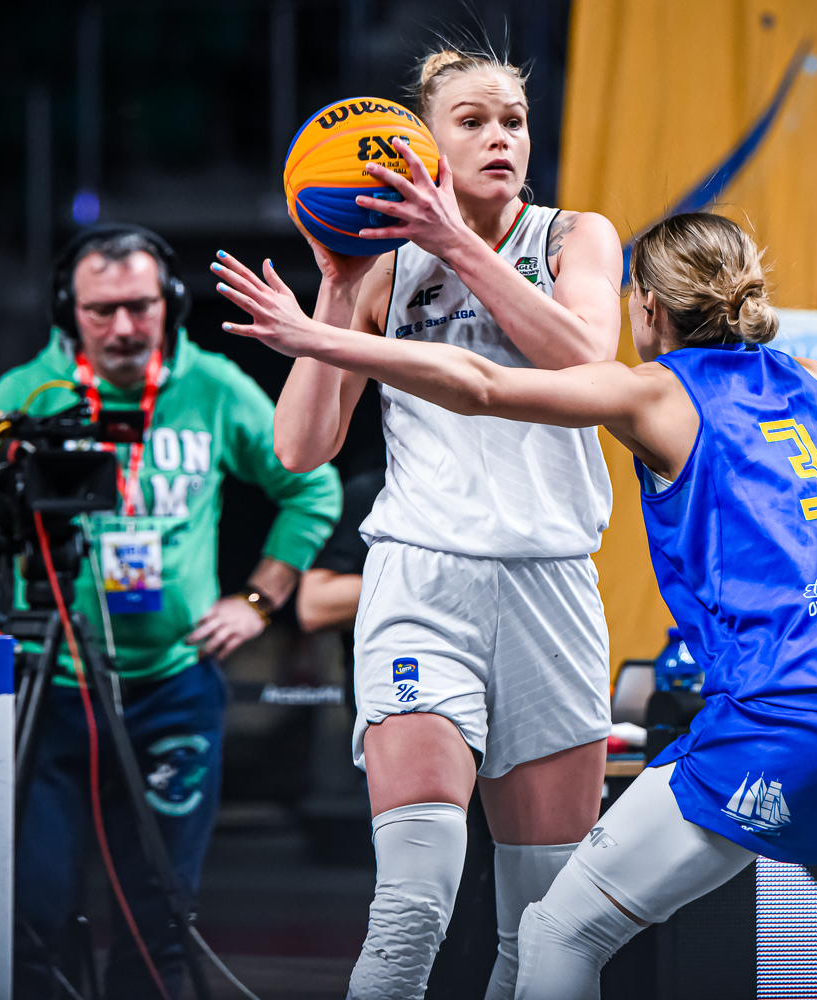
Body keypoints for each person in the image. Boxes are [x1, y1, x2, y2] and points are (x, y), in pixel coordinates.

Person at [212, 211, 817, 999]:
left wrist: (316, 336)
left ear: (648, 308)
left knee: (557, 933)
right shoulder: (804, 380)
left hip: (796, 718)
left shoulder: (656, 395)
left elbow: (482, 384)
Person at [219, 46, 624, 1000]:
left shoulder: (576, 237)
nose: (500, 138)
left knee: (549, 927)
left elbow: (585, 362)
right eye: (472, 122)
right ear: (423, 146)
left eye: (513, 121)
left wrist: (459, 245)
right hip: (423, 584)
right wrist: (334, 285)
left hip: (553, 584)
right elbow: (301, 447)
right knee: (411, 909)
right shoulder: (386, 271)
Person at [0, 224, 341, 999]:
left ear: (171, 302)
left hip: (173, 690)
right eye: (101, 310)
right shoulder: (25, 393)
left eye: (140, 306)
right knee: (30, 913)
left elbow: (310, 485)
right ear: (69, 309)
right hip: (48, 695)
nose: (123, 327)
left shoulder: (213, 387)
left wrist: (260, 599)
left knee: (157, 913)